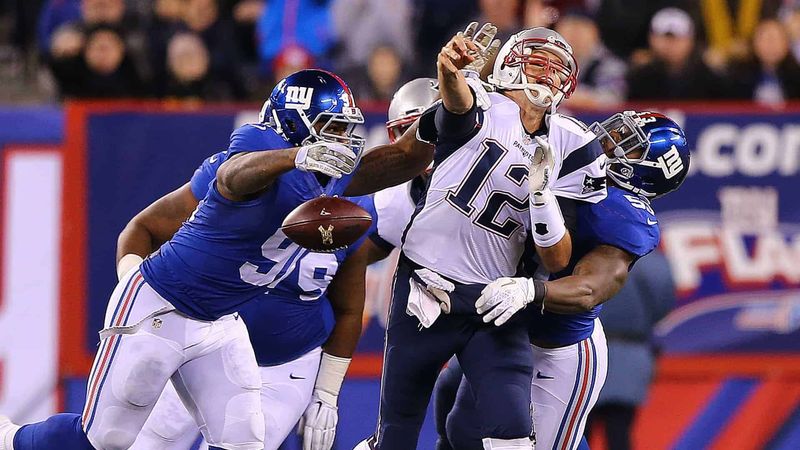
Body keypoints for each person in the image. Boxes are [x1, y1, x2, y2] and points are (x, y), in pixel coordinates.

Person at [0, 69, 370, 450]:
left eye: (345, 129)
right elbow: (225, 179)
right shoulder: (254, 149)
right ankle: (9, 439)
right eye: (332, 128)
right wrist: (136, 293)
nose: (342, 140)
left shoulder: (330, 186)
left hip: (221, 321)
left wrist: (420, 134)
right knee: (103, 440)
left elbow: (383, 167)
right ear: (294, 125)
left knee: (242, 444)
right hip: (166, 305)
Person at [356, 22, 610, 450]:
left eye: (557, 68)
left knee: (512, 436)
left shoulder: (575, 145)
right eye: (538, 62)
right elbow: (458, 103)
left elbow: (557, 260)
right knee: (396, 434)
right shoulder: (482, 102)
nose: (547, 75)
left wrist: (542, 198)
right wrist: (449, 71)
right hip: (425, 287)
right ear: (509, 64)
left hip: (493, 301)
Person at [435, 111, 690, 450]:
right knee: (461, 428)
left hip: (558, 349)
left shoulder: (620, 212)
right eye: (615, 132)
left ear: (648, 170)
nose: (605, 142)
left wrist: (531, 289)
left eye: (624, 143)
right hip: (506, 331)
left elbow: (589, 289)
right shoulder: (567, 168)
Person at [125, 133, 376, 448]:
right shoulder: (237, 180)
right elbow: (143, 228)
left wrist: (327, 393)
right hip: (206, 346)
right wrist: (136, 306)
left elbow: (349, 309)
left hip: (287, 363)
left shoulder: (348, 211)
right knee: (148, 442)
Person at [586, 249, 676, 450]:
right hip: (631, 356)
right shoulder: (653, 263)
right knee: (619, 432)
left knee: (577, 435)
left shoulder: (586, 253)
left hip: (586, 355)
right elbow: (664, 306)